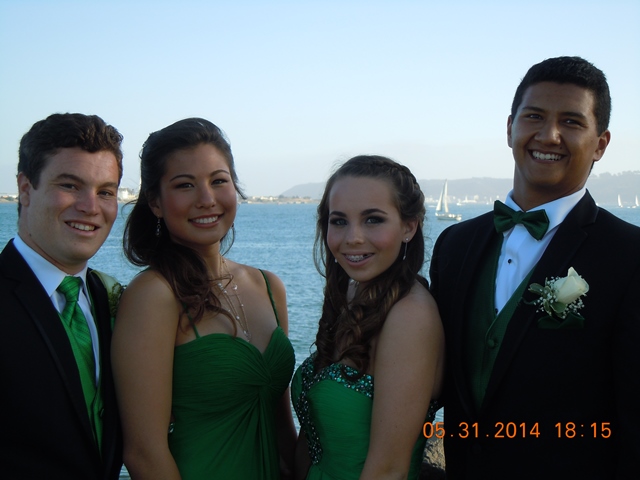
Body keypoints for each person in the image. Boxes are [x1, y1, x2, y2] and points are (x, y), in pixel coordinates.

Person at [429, 56, 640, 479]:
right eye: (534, 117)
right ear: (510, 127)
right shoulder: (454, 244)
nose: (548, 135)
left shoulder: (629, 256)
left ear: (600, 144)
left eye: (571, 122)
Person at [111, 117, 297, 479]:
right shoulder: (154, 295)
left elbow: (282, 427)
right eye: (185, 185)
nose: (207, 199)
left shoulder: (269, 286)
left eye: (219, 181)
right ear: (156, 202)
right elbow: (144, 453)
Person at [292, 155, 444, 480]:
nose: (353, 237)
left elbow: (389, 470)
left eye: (373, 220)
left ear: (409, 227)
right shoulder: (351, 294)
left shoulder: (410, 316)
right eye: (339, 221)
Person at [0, 113, 124, 479]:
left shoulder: (112, 300)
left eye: (106, 192)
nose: (91, 206)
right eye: (70, 185)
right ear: (25, 189)